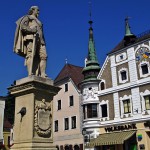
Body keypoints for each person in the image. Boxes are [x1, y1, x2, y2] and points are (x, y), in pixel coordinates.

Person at [14, 6, 47, 77]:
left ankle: (43, 74)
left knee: (44, 56)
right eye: (37, 10)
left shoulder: (39, 21)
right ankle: (30, 72)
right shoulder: (28, 17)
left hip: (41, 41)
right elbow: (22, 26)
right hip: (32, 38)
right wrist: (32, 30)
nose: (38, 11)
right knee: (31, 55)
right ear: (33, 10)